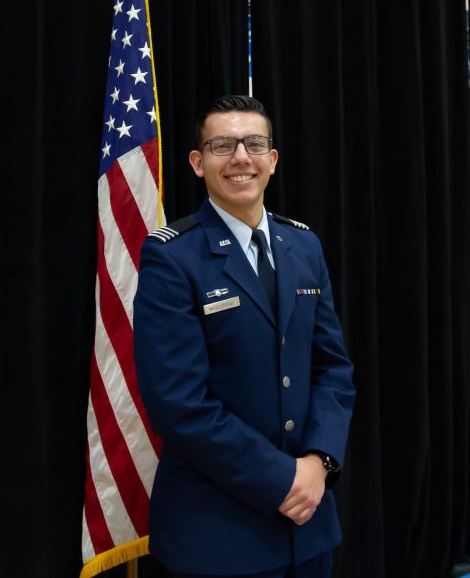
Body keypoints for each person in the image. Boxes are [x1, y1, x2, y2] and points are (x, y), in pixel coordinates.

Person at [134, 95, 356, 578]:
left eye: (254, 144)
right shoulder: (173, 258)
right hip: (220, 535)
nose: (240, 158)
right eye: (222, 145)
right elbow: (179, 403)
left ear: (272, 160)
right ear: (197, 162)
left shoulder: (304, 244)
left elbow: (332, 368)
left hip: (309, 525)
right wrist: (284, 480)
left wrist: (319, 462)